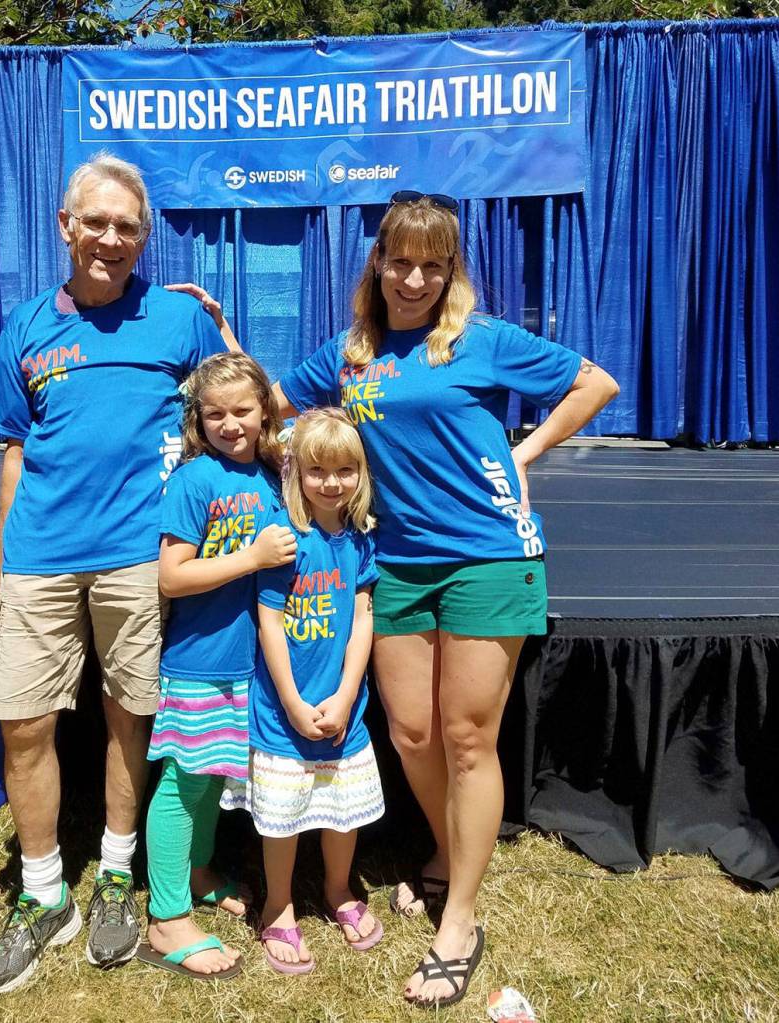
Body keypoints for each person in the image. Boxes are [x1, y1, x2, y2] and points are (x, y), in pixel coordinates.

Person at [271, 192, 619, 1008]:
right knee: (412, 732)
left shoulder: (478, 338)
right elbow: (273, 406)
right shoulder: (349, 354)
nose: (414, 278)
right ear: (377, 263)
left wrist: (524, 451)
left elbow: (592, 382)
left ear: (450, 268)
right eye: (400, 261)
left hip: (487, 559)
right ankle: (445, 849)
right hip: (393, 560)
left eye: (432, 264)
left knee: (465, 738)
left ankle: (458, 920)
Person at [0, 154, 233, 995]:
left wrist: (224, 330)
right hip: (40, 557)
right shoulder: (24, 329)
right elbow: (16, 453)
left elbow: (237, 405)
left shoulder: (178, 320)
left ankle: (117, 873)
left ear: (143, 237)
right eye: (96, 222)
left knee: (131, 716)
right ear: (66, 226)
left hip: (138, 556)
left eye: (127, 226)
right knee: (23, 724)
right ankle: (44, 893)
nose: (110, 239)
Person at [137, 352, 297, 979]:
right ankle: (166, 916)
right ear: (197, 421)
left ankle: (198, 871)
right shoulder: (194, 480)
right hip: (200, 661)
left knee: (210, 776)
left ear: (265, 412)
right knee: (184, 783)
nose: (231, 424)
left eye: (243, 411)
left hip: (250, 662)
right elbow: (172, 577)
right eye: (215, 415)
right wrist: (251, 558)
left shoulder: (272, 474)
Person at [222, 408, 385, 975]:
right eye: (318, 470)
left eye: (344, 470)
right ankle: (278, 903)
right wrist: (292, 703)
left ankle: (339, 889)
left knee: (342, 812)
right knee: (283, 816)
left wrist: (346, 695)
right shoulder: (284, 538)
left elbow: (362, 618)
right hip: (281, 715)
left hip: (342, 711)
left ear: (360, 474)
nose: (331, 482)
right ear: (297, 473)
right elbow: (269, 623)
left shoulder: (362, 540)